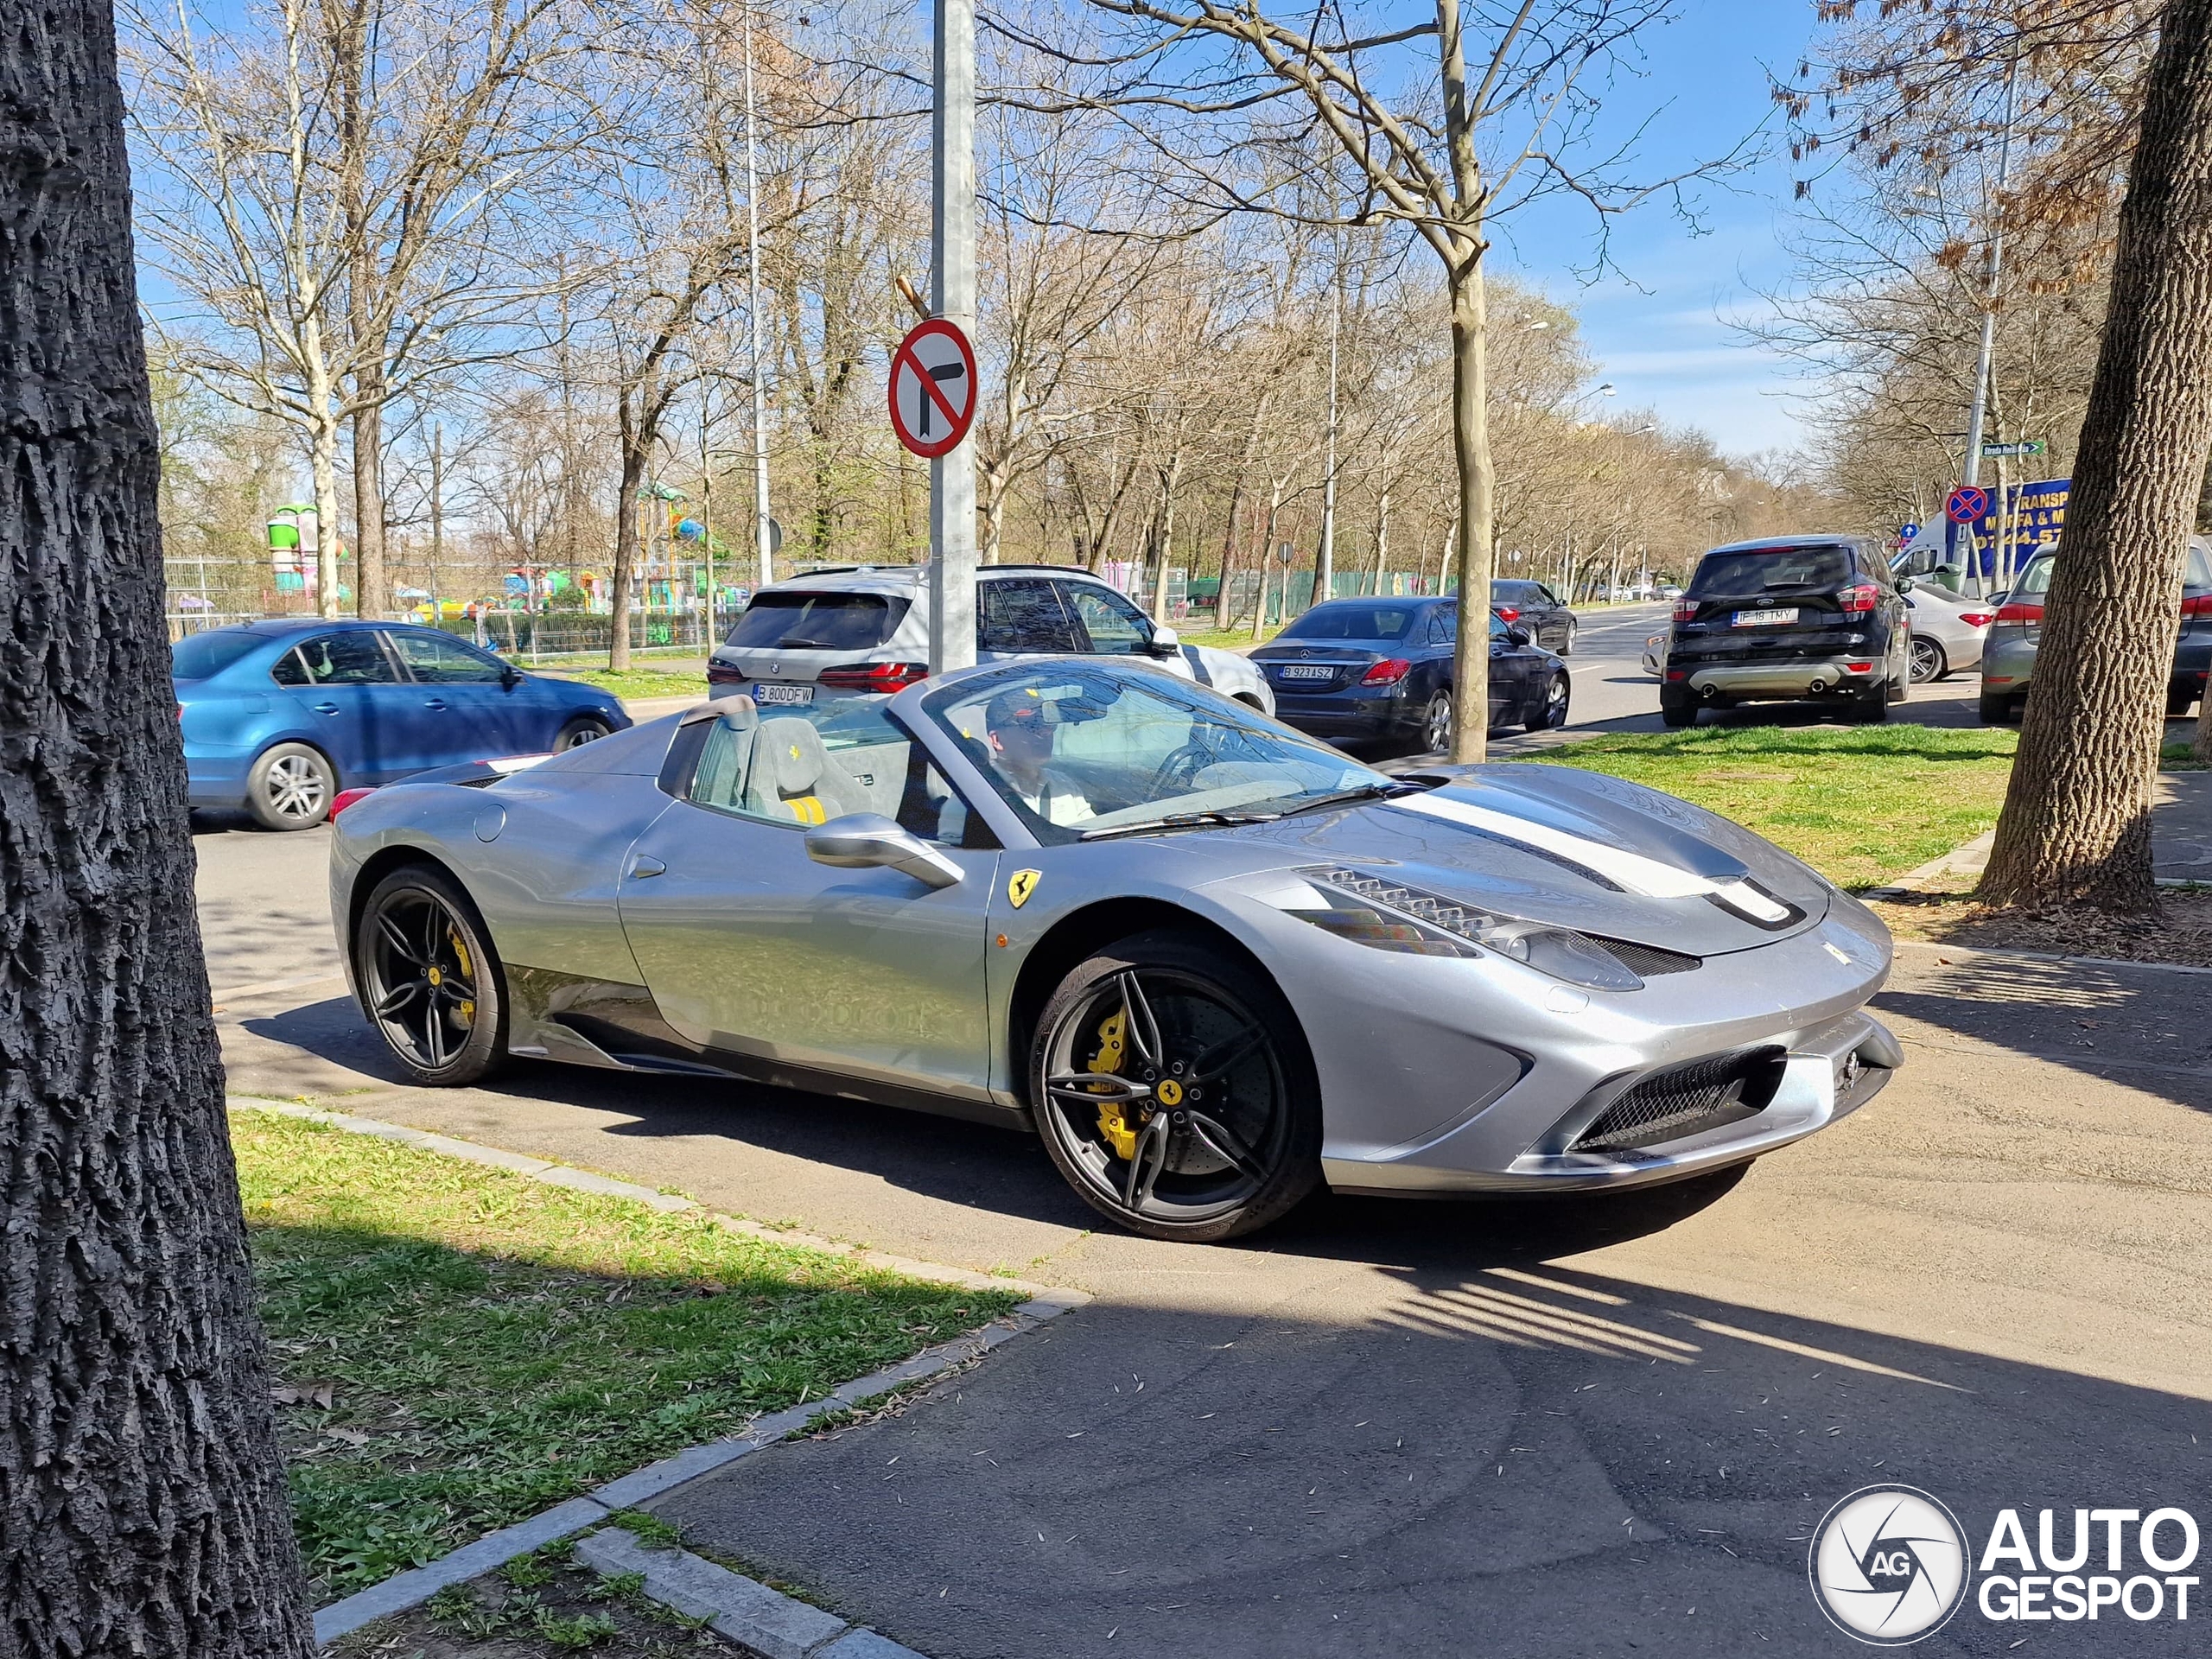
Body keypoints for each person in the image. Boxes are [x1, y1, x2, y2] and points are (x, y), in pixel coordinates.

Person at [983, 688, 1094, 826]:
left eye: (1048, 723)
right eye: (1032, 724)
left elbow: (1094, 834)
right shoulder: (976, 797)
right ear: (997, 740)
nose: (1045, 731)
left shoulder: (1064, 785)